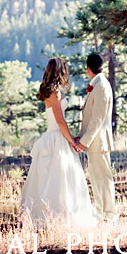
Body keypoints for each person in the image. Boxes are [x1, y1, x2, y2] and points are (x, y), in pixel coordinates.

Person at [20, 57, 98, 229]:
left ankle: (52, 216)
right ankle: (58, 218)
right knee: (60, 179)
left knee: (59, 178)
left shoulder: (51, 90)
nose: (66, 71)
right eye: (65, 68)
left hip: (55, 135)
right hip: (56, 137)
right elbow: (60, 121)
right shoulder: (54, 92)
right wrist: (72, 141)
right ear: (60, 71)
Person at [74, 53, 118, 223]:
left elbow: (97, 119)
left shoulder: (101, 86)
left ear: (88, 69)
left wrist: (84, 141)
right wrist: (82, 137)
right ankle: (101, 212)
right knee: (96, 177)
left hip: (98, 141)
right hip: (93, 141)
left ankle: (109, 213)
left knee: (103, 177)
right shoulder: (98, 84)